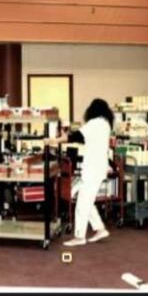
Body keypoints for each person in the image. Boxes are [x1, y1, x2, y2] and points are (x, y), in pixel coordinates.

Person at [45, 98, 114, 247]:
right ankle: (100, 228)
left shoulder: (94, 123)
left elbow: (75, 137)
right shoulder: (106, 124)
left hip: (92, 170)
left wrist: (53, 141)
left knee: (82, 203)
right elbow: (84, 139)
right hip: (98, 168)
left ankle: (79, 237)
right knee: (85, 199)